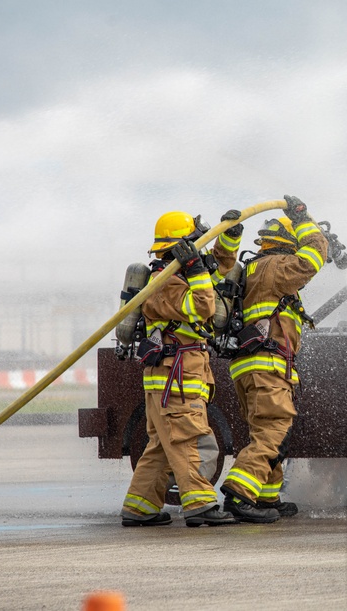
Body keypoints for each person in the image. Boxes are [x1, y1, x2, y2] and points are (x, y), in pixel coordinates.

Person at [120, 210, 244, 528]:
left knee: (162, 447)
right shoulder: (163, 283)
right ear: (180, 246)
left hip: (172, 378)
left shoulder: (178, 278)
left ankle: (139, 507)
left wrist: (229, 237)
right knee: (191, 440)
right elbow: (204, 306)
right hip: (175, 379)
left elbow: (219, 273)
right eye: (192, 244)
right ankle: (200, 504)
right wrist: (195, 269)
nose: (197, 253)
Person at [220, 195, 328, 523]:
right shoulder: (277, 268)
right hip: (267, 365)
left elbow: (223, 263)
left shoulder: (252, 269)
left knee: (266, 431)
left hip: (250, 365)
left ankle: (266, 497)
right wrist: (304, 221)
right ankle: (240, 494)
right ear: (287, 243)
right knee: (275, 428)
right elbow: (312, 259)